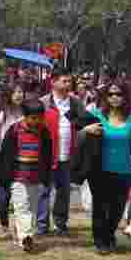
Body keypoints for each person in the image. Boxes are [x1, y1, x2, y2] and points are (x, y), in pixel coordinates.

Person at [0, 100, 52, 252]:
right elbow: (4, 154)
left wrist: (47, 176)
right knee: (21, 205)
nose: (36, 121)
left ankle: (25, 233)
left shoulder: (44, 132)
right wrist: (0, 173)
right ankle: (25, 237)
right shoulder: (14, 131)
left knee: (31, 206)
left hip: (36, 176)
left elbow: (47, 156)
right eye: (32, 118)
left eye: (39, 117)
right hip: (18, 176)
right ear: (25, 116)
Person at [82, 81, 131, 254]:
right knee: (100, 206)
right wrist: (85, 130)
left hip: (125, 170)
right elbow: (76, 130)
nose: (114, 97)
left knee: (117, 208)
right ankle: (100, 240)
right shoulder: (96, 114)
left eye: (118, 94)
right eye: (110, 94)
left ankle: (109, 235)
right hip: (100, 170)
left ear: (125, 96)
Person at [38, 67, 85, 236]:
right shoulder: (43, 103)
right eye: (64, 81)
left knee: (64, 191)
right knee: (44, 191)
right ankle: (42, 226)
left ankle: (61, 224)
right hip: (47, 156)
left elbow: (83, 125)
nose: (68, 84)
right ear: (53, 82)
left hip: (67, 155)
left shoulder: (76, 103)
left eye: (69, 81)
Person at [0, 83, 26, 236]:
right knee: (4, 196)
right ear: (9, 95)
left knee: (21, 196)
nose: (19, 95)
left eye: (21, 91)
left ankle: (19, 226)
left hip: (23, 158)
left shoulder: (26, 112)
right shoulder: (0, 114)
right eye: (16, 92)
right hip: (5, 159)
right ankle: (4, 226)